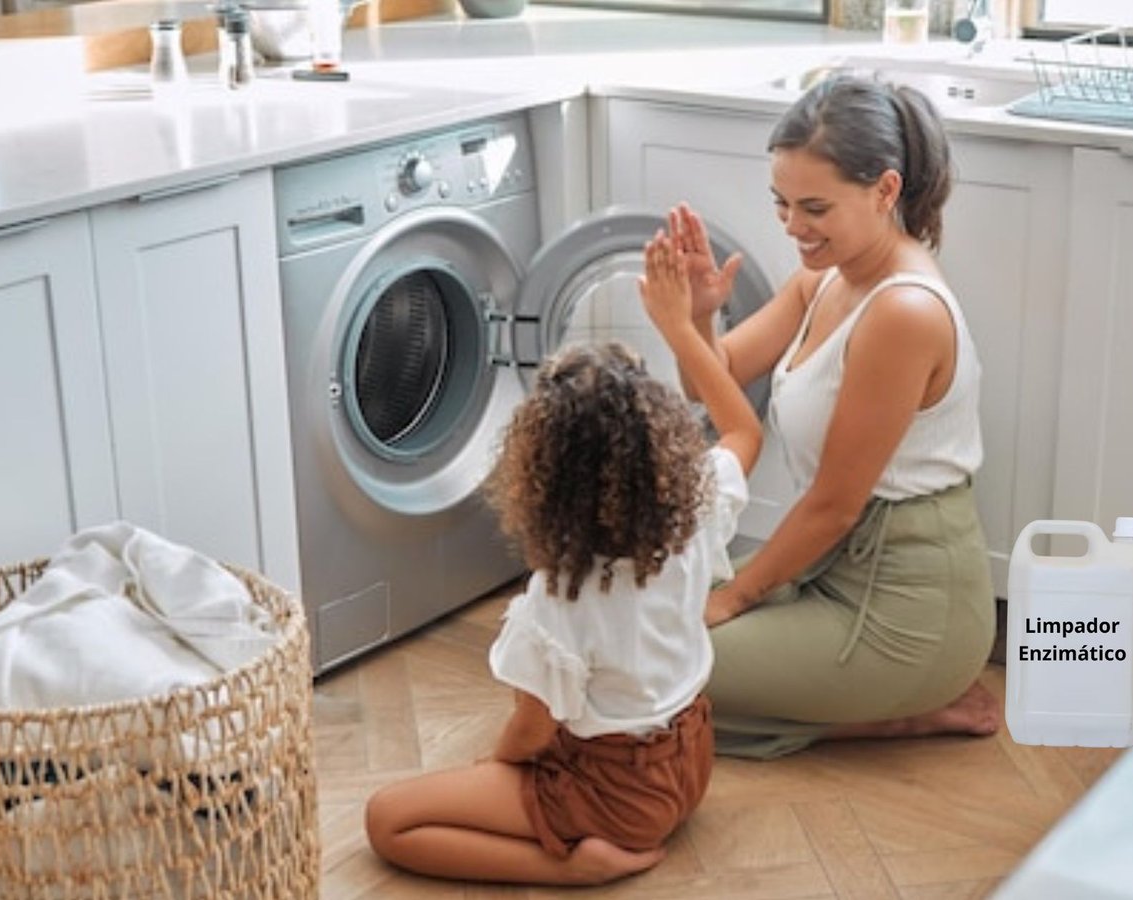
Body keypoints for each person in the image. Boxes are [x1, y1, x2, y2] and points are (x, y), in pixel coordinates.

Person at [363, 241, 763, 885]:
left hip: (618, 797)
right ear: (657, 442)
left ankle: (575, 870)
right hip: (690, 767)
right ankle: (589, 834)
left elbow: (530, 731)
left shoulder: (561, 596)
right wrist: (683, 328)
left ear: (543, 475)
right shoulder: (695, 513)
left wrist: (493, 770)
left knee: (388, 820)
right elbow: (743, 431)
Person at [665, 74, 1001, 760]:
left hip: (903, 604)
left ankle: (899, 710)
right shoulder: (821, 280)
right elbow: (709, 386)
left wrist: (729, 602)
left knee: (646, 674)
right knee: (634, 627)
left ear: (884, 191)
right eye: (782, 204)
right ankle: (852, 700)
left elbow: (834, 506)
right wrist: (698, 315)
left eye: (813, 207)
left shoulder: (902, 313)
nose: (791, 227)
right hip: (826, 566)